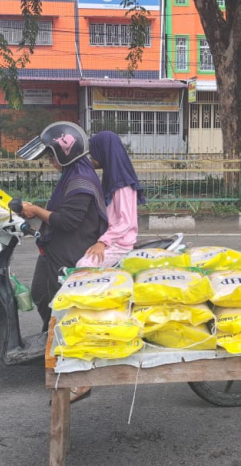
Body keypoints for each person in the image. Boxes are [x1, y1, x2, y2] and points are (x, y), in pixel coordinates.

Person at [17, 121, 109, 339]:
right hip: (53, 250)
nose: (50, 161)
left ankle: (58, 339)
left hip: (68, 254)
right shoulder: (71, 175)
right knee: (40, 294)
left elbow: (67, 221)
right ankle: (50, 334)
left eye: (51, 156)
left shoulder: (81, 181)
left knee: (55, 299)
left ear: (65, 153)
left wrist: (36, 211)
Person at [76, 131, 145, 268]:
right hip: (112, 239)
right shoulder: (112, 178)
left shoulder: (122, 183)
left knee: (83, 265)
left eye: (93, 154)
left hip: (119, 244)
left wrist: (102, 242)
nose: (91, 160)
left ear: (103, 153)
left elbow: (124, 222)